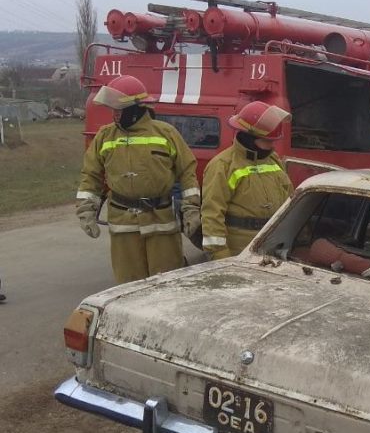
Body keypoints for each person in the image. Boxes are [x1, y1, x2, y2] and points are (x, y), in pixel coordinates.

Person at [76, 75, 200, 284]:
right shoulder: (105, 136)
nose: (114, 114)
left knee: (167, 283)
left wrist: (190, 210)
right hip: (123, 223)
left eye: (118, 109)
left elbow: (187, 173)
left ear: (135, 108)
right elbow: (91, 176)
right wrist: (86, 209)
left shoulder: (166, 133)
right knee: (128, 285)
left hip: (161, 221)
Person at [201, 101, 293, 260]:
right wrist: (220, 256)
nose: (272, 146)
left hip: (273, 244)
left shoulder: (273, 160)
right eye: (268, 141)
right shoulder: (223, 165)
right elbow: (212, 215)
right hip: (240, 249)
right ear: (249, 137)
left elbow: (290, 200)